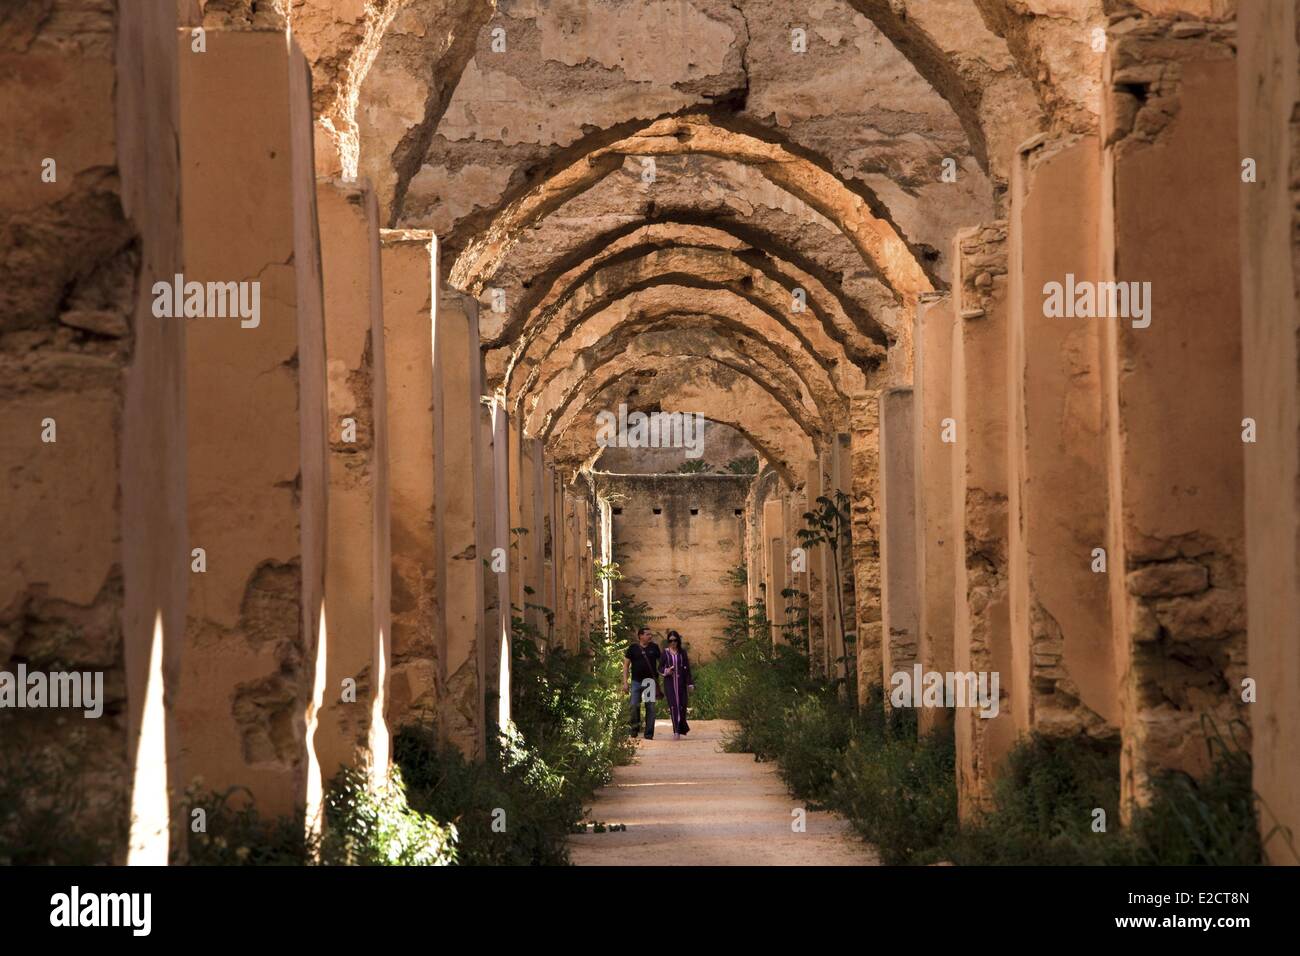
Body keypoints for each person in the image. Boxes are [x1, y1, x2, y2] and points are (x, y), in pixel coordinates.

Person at [622, 626, 661, 739]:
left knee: (650, 707)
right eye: (648, 634)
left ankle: (648, 734)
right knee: (634, 705)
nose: (650, 636)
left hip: (650, 682)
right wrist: (625, 682)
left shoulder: (654, 647)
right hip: (636, 681)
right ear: (641, 636)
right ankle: (634, 729)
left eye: (650, 634)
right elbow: (626, 665)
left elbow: (662, 663)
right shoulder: (633, 648)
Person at [660, 630, 694, 740]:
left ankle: (682, 726)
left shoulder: (682, 652)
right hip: (670, 683)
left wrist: (690, 683)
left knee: (682, 706)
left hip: (681, 683)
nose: (673, 643)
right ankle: (676, 731)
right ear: (668, 641)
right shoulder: (665, 653)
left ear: (678, 641)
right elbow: (659, 668)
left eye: (675, 640)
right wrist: (666, 671)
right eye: (670, 641)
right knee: (674, 706)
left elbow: (687, 669)